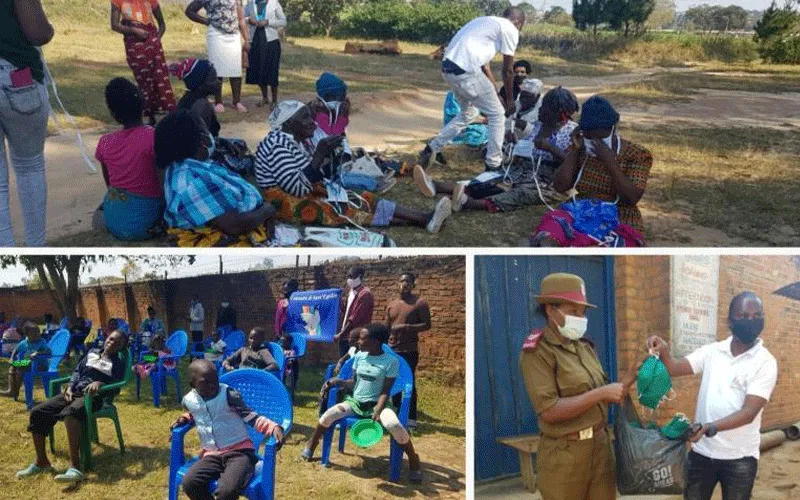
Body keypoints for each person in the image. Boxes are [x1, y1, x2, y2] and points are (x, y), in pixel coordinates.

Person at [646, 291, 778, 500]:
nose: (751, 321)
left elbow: (749, 412)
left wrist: (709, 427)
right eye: (744, 316)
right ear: (730, 320)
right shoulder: (713, 352)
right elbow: (676, 368)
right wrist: (664, 351)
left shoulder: (765, 362)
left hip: (740, 459)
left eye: (757, 315)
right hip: (702, 454)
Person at [520, 273, 636, 500]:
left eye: (582, 312)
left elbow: (602, 396)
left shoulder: (585, 347)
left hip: (601, 448)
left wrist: (629, 378)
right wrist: (601, 393)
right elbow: (549, 411)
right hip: (565, 456)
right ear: (550, 310)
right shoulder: (538, 351)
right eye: (573, 311)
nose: (580, 318)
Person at [255, 101, 452, 233]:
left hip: (302, 191)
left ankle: (424, 218)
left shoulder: (296, 140)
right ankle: (422, 220)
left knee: (357, 197)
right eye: (305, 118)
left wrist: (327, 155)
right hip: (283, 202)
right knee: (339, 210)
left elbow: (311, 177)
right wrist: (319, 155)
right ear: (289, 124)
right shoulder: (278, 143)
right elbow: (295, 189)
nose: (312, 122)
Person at [415, 86, 579, 214]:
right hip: (521, 169)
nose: (540, 110)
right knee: (494, 179)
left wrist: (550, 148)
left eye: (545, 108)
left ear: (560, 115)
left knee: (521, 193)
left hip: (547, 180)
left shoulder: (572, 133)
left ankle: (467, 203)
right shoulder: (538, 126)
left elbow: (572, 163)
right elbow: (527, 150)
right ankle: (436, 186)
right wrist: (516, 145)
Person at [302, 323, 423, 483]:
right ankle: (312, 443)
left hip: (379, 404)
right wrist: (338, 381)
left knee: (394, 425)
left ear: (375, 341)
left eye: (362, 339)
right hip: (355, 403)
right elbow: (355, 383)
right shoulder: (359, 357)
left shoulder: (391, 361)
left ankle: (413, 458)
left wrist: (378, 410)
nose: (358, 341)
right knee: (327, 416)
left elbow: (386, 390)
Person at [531, 95, 652, 246]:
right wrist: (575, 151)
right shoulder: (581, 150)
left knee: (622, 242)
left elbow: (631, 198)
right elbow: (560, 186)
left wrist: (610, 162)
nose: (593, 141)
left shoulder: (636, 154)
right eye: (588, 136)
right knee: (551, 228)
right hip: (582, 209)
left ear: (611, 129)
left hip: (620, 213)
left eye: (599, 137)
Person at [418, 7, 526, 172]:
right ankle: (493, 165)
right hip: (466, 72)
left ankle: (432, 148)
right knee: (497, 114)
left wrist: (496, 94)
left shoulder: (484, 23)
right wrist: (510, 101)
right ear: (518, 22)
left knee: (468, 113)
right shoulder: (510, 28)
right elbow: (508, 70)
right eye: (521, 26)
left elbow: (485, 67)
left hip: (448, 69)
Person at [16, 330, 127, 483]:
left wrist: (100, 383)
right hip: (73, 392)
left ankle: (75, 467)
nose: (112, 343)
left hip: (94, 398)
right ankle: (42, 461)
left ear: (121, 347)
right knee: (37, 412)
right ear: (106, 338)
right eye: (111, 339)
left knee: (71, 414)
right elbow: (77, 371)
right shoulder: (92, 353)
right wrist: (70, 386)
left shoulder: (117, 363)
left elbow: (117, 386)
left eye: (118, 342)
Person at [155, 109, 276, 247]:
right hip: (228, 238)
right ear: (202, 140)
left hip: (248, 223)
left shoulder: (185, 165)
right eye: (207, 131)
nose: (211, 136)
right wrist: (267, 210)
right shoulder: (195, 181)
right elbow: (234, 226)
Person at [172, 359, 285, 500]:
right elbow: (197, 412)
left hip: (239, 453)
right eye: (205, 382)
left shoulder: (228, 395)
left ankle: (250, 467)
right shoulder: (189, 400)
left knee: (227, 490)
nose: (212, 385)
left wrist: (273, 427)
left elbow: (250, 416)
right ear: (193, 384)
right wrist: (185, 418)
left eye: (215, 380)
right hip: (211, 454)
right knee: (190, 482)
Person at [0, 0, 54, 247]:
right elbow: (38, 33)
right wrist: (49, 29)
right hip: (17, 76)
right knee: (29, 167)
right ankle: (36, 246)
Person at [94, 77, 165, 241]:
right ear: (143, 103)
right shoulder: (154, 137)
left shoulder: (105, 142)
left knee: (103, 209)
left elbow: (111, 185)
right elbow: (163, 186)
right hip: (148, 224)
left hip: (115, 221)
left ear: (113, 114)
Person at [110, 0, 176, 125]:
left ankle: (167, 118)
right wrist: (134, 31)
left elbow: (162, 24)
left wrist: (156, 41)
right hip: (134, 45)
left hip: (153, 44)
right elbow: (114, 25)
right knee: (144, 81)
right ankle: (147, 116)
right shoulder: (118, 1)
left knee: (161, 79)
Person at [186, 0, 250, 113]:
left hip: (234, 34)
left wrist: (246, 39)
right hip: (216, 33)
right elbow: (190, 11)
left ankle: (236, 101)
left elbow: (241, 18)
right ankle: (218, 102)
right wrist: (206, 21)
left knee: (235, 69)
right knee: (217, 69)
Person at [386, 272, 431, 429]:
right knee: (392, 380)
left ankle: (411, 417)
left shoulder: (419, 303)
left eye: (408, 282)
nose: (404, 284)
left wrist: (407, 327)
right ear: (398, 283)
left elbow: (427, 325)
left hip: (409, 350)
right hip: (392, 350)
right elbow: (387, 328)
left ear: (413, 285)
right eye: (402, 281)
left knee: (408, 382)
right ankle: (398, 410)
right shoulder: (391, 304)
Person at [244, 0, 286, 109]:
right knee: (258, 69)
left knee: (272, 70)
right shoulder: (250, 3)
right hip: (256, 40)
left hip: (271, 41)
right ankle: (264, 98)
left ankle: (275, 100)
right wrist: (249, 19)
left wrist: (268, 22)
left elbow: (283, 21)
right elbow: (241, 18)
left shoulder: (274, 3)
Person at [170, 58, 223, 138]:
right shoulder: (200, 106)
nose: (218, 83)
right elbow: (211, 135)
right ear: (199, 84)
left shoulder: (189, 100)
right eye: (213, 79)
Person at [1, 321, 50, 399]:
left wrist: (38, 352)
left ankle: (15, 392)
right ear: (27, 335)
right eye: (34, 334)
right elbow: (16, 350)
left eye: (38, 333)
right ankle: (11, 390)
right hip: (27, 363)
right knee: (12, 366)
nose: (37, 335)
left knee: (20, 369)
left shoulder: (41, 341)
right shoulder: (24, 342)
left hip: (41, 365)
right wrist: (11, 358)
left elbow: (48, 351)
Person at [335, 267, 374, 358]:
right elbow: (347, 313)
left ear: (360, 276)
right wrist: (339, 302)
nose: (349, 279)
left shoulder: (365, 294)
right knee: (344, 364)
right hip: (346, 336)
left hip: (357, 337)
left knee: (353, 363)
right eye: (348, 276)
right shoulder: (351, 293)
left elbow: (355, 318)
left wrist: (341, 334)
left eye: (351, 276)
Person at [307, 72, 350, 137]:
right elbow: (332, 135)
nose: (344, 99)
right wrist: (342, 116)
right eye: (342, 96)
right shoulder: (318, 111)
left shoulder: (333, 109)